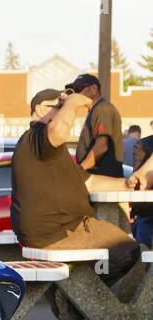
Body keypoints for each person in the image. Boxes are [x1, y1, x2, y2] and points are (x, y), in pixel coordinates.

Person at [10, 87, 141, 289]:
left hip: (60, 230)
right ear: (38, 110)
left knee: (116, 253)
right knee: (128, 250)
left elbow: (90, 182)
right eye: (57, 106)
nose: (62, 110)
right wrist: (72, 102)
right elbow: (59, 131)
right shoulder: (36, 136)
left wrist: (129, 184)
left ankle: (73, 294)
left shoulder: (52, 151)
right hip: (59, 231)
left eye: (63, 106)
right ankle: (77, 296)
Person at [69, 72, 124, 178]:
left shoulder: (102, 108)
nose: (76, 93)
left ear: (93, 89)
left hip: (103, 178)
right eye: (74, 90)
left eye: (79, 88)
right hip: (97, 177)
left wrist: (80, 170)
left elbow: (101, 146)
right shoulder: (95, 109)